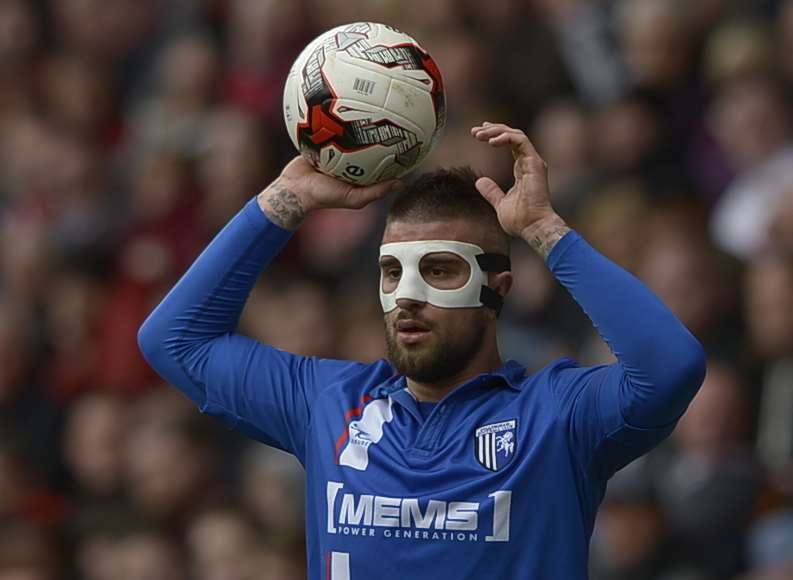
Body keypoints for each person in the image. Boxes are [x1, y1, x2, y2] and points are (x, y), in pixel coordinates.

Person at [138, 122, 706, 579]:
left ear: (496, 289)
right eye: (391, 272)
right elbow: (174, 339)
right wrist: (284, 201)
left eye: (437, 270)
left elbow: (670, 366)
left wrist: (545, 232)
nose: (407, 296)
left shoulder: (557, 417)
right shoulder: (328, 404)